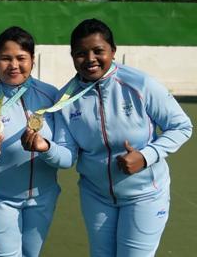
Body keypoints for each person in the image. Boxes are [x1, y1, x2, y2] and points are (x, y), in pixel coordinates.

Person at [22, 18, 193, 256]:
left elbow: (181, 126)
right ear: (72, 56)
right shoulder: (65, 100)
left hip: (144, 195)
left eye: (98, 51)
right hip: (97, 197)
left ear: (113, 51)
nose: (90, 59)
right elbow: (68, 155)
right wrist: (46, 147)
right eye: (81, 53)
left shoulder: (139, 84)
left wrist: (145, 156)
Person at [0, 26, 62, 256]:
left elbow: (67, 155)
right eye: (5, 58)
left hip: (43, 198)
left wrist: (46, 147)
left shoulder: (52, 97)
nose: (13, 65)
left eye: (21, 58)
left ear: (32, 60)